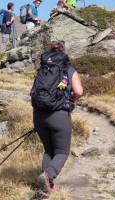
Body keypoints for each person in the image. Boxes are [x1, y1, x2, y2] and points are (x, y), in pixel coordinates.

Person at [32, 41, 83, 192]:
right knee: (62, 152)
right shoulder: (69, 69)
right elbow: (79, 91)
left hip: (39, 115)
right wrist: (73, 100)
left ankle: (48, 185)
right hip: (59, 115)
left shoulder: (42, 70)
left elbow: (32, 92)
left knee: (49, 151)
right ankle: (48, 175)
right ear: (64, 52)